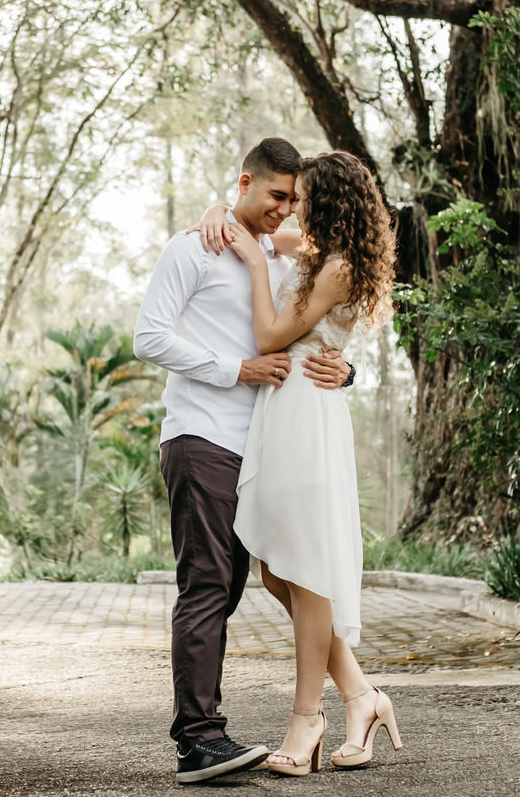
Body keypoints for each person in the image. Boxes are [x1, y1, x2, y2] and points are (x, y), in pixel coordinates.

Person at [132, 137, 353, 784]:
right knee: (207, 587)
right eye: (275, 195)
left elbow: (312, 331)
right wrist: (237, 369)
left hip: (263, 451)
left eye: (293, 199)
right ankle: (199, 741)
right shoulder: (193, 247)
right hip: (202, 438)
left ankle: (355, 699)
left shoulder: (282, 261)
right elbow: (149, 334)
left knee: (259, 584)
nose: (284, 209)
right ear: (245, 182)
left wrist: (347, 371)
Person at [197, 149, 401, 777]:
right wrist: (216, 211)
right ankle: (363, 696)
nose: (293, 209)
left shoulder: (337, 267)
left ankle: (306, 717)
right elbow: (249, 227)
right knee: (280, 577)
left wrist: (257, 263)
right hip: (282, 415)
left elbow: (269, 336)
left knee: (304, 573)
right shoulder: (315, 250)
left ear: (331, 202)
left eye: (305, 199)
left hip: (308, 416)